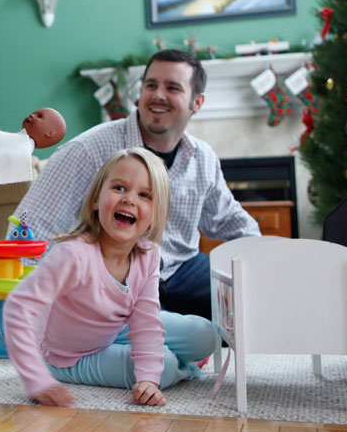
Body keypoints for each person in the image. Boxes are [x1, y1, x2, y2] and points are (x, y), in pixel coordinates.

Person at [14, 49, 259, 319]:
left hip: (182, 270)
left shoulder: (203, 158)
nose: (158, 95)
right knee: (155, 340)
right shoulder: (89, 149)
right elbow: (31, 224)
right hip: (114, 275)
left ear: (196, 102)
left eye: (172, 87)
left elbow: (234, 223)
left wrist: (262, 264)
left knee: (254, 308)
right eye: (151, 85)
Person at [3, 148, 219, 407]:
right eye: (119, 188)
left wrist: (148, 376)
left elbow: (146, 320)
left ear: (154, 214)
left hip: (116, 329)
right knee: (166, 365)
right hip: (70, 356)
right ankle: (187, 368)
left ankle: (174, 361)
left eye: (144, 195)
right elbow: (18, 306)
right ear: (96, 200)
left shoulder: (148, 255)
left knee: (207, 335)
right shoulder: (72, 255)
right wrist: (37, 379)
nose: (129, 199)